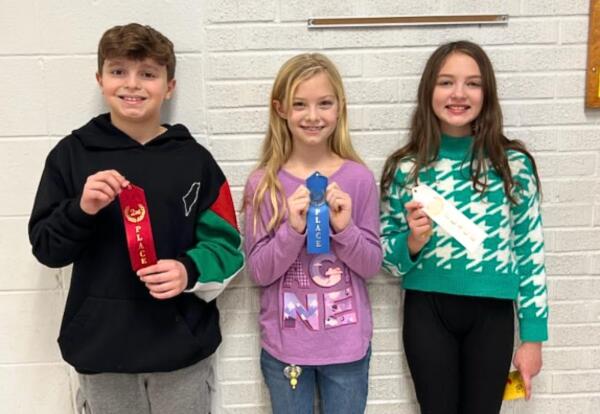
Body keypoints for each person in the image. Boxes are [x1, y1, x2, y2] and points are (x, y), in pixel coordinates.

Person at [28, 23, 243, 414]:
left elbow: (228, 246)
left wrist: (188, 270)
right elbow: (46, 248)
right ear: (100, 79)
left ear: (169, 86)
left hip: (180, 349)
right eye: (118, 72)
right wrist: (81, 209)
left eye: (148, 74)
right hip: (100, 349)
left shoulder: (196, 161)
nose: (133, 85)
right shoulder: (71, 156)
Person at [379, 40, 548, 414]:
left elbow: (530, 254)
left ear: (487, 93)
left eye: (472, 83)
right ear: (429, 92)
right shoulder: (406, 168)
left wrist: (533, 337)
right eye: (446, 82)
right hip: (427, 312)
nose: (459, 93)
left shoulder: (513, 165)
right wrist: (412, 241)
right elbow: (388, 262)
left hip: (493, 314)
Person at [243, 53, 383, 414]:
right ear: (281, 109)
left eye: (324, 103)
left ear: (339, 108)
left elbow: (370, 266)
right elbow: (258, 272)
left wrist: (345, 229)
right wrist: (292, 230)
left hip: (347, 348)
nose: (313, 116)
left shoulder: (358, 179)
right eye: (300, 104)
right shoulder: (263, 184)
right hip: (286, 350)